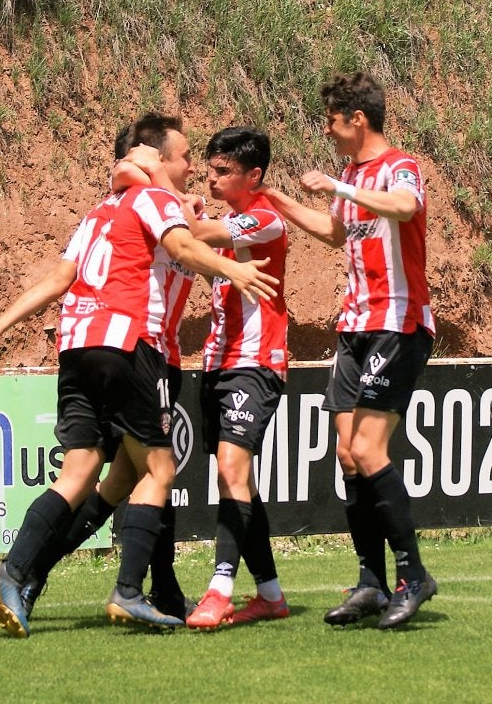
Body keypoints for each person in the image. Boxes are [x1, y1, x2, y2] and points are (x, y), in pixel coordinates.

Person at [0, 112, 278, 637]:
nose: (193, 168)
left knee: (98, 477)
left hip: (79, 345)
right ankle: (130, 589)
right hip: (138, 348)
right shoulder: (156, 203)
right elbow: (184, 244)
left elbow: (63, 276)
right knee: (156, 471)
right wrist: (235, 268)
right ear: (154, 159)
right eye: (183, 157)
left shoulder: (100, 212)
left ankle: (24, 571)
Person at [263, 71, 437, 630]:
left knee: (367, 449)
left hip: (398, 321)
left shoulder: (398, 165)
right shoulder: (351, 172)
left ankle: (413, 574)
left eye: (333, 124)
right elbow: (337, 233)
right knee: (346, 452)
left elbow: (407, 207)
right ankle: (371, 581)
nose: (330, 135)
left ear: (356, 120)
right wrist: (281, 201)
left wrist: (338, 188)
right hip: (357, 325)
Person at [157, 127, 292, 630]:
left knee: (232, 469)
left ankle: (219, 590)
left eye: (222, 172)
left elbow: (198, 237)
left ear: (253, 176)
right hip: (216, 363)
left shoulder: (265, 219)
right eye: (208, 169)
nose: (211, 179)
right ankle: (272, 596)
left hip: (255, 362)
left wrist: (168, 194)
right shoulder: (231, 216)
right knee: (239, 483)